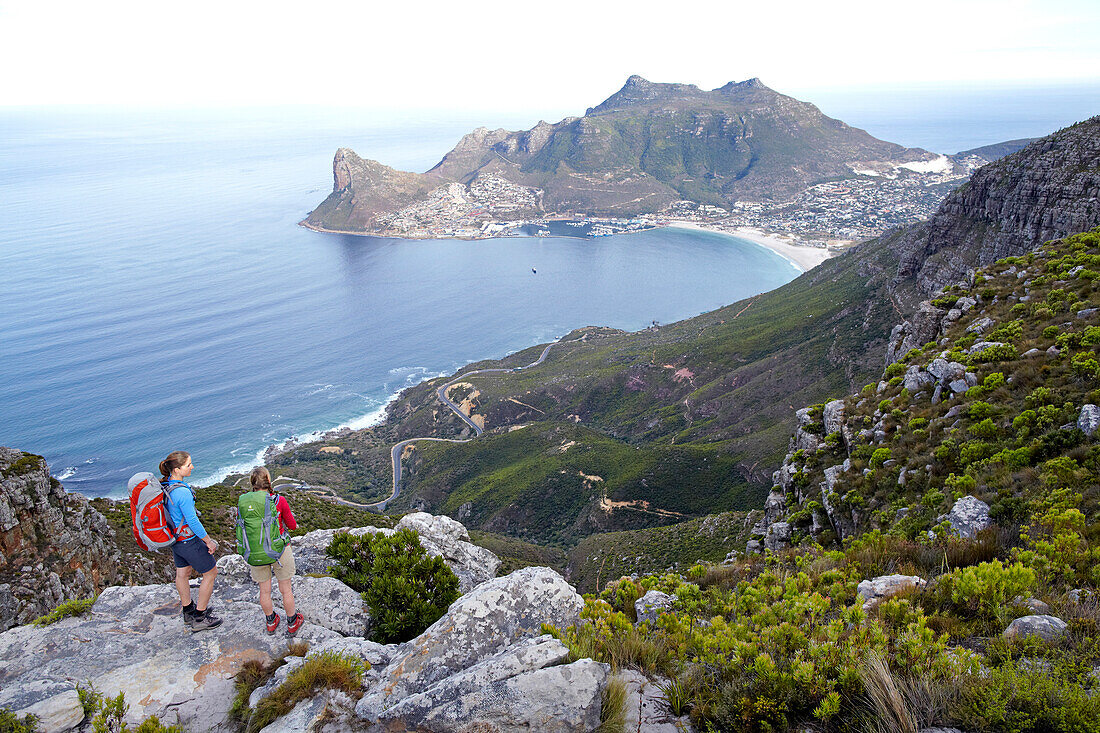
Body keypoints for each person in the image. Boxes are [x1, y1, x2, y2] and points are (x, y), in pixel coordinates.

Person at [160, 451, 222, 631]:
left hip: (176, 541)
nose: (192, 467)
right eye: (188, 465)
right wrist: (208, 541)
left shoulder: (166, 485)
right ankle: (200, 618)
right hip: (188, 540)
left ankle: (188, 611)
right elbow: (193, 520)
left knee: (183, 573)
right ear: (177, 469)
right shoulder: (182, 492)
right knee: (210, 573)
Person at [246, 466, 304, 635]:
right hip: (279, 550)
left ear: (253, 483)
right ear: (268, 481)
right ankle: (292, 621)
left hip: (256, 551)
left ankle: (271, 621)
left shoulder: (244, 502)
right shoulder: (278, 500)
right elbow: (292, 525)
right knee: (285, 588)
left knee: (264, 590)